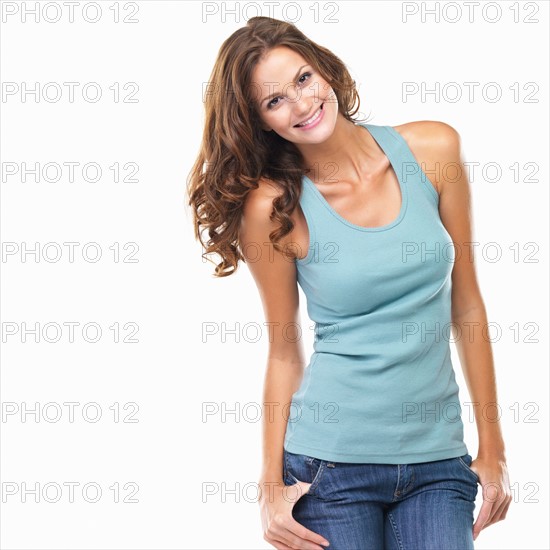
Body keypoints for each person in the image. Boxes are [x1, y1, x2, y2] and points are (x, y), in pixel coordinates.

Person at [187, 16, 511, 550]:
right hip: (329, 467)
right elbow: (284, 350)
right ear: (260, 123)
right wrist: (270, 487)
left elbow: (468, 306)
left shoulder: (433, 151)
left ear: (326, 73)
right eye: (274, 102)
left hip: (437, 459)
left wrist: (492, 445)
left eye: (302, 79)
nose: (300, 104)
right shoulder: (273, 208)